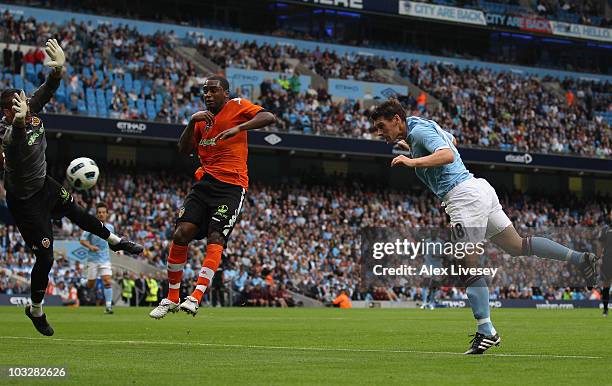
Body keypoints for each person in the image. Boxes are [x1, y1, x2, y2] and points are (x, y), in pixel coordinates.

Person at [370, 99, 600, 354]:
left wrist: (412, 161)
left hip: (462, 196)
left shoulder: (418, 131)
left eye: (382, 126)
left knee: (466, 263)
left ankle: (486, 330)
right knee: (517, 246)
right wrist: (412, 148)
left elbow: (446, 154)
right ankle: (579, 259)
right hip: (478, 189)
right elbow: (452, 141)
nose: (380, 132)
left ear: (397, 120)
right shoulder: (421, 128)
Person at [0, 39, 143, 337]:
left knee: (76, 210)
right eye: (16, 108)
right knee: (47, 258)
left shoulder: (30, 110)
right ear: (6, 112)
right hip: (24, 201)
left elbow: (48, 89)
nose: (24, 109)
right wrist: (19, 121)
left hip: (44, 184)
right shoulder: (6, 132)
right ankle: (36, 309)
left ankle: (115, 240)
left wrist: (57, 70)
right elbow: (13, 143)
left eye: (23, 103)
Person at [149, 75, 276, 318]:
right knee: (180, 233)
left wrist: (238, 128)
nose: (207, 94)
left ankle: (195, 297)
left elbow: (268, 117)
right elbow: (184, 149)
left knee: (215, 236)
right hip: (205, 183)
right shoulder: (201, 120)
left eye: (213, 90)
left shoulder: (237, 106)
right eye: (205, 91)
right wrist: (190, 122)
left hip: (231, 186)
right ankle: (172, 297)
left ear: (225, 93)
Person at [80, 203, 115, 314]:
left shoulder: (110, 227)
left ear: (107, 214)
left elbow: (112, 241)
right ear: (96, 214)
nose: (101, 214)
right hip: (93, 259)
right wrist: (91, 246)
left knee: (107, 281)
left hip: (105, 259)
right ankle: (83, 283)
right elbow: (82, 240)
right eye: (99, 212)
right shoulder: (91, 225)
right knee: (91, 284)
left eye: (103, 212)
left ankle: (109, 307)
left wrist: (118, 249)